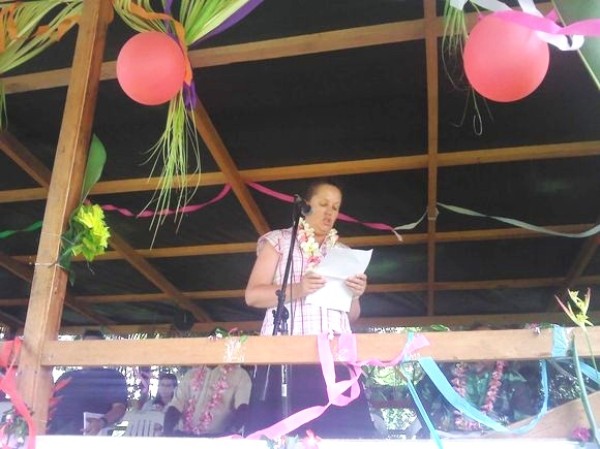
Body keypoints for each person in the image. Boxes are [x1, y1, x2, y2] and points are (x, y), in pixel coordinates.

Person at [244, 179, 376, 438]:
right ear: (305, 206)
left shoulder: (343, 252)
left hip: (336, 357)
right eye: (323, 204)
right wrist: (300, 288)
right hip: (286, 356)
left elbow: (352, 315)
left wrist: (355, 295)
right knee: (280, 436)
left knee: (342, 437)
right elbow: (253, 296)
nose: (330, 212)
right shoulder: (279, 241)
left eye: (335, 207)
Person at [46, 329, 128, 435]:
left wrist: (102, 422)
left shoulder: (112, 376)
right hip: (54, 436)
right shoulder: (65, 377)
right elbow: (49, 405)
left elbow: (119, 408)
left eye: (95, 349)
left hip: (90, 437)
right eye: (86, 348)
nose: (91, 352)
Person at [162, 364, 251, 437]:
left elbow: (242, 409)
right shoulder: (190, 374)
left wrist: (229, 434)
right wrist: (167, 433)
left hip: (218, 438)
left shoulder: (240, 375)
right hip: (187, 437)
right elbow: (175, 406)